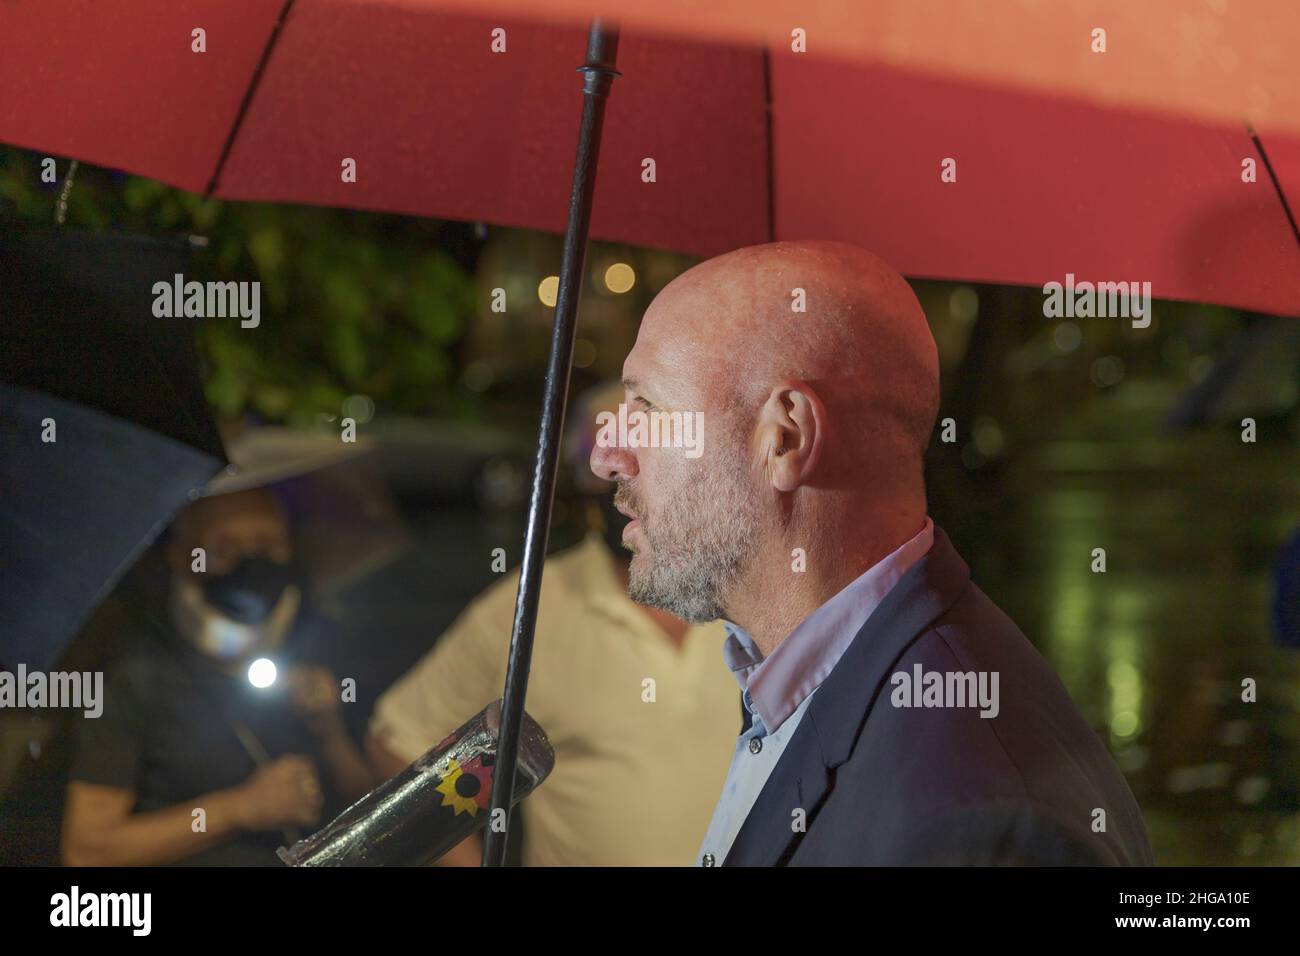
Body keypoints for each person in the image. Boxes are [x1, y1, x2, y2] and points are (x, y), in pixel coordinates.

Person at [590, 240, 1154, 866]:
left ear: (786, 438)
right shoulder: (813, 682)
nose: (606, 453)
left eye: (648, 408)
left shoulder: (973, 821)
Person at [366, 382, 740, 866]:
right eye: (604, 455)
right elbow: (398, 736)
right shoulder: (531, 609)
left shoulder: (746, 588)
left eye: (647, 447)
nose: (622, 473)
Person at [61, 487, 375, 866]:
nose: (250, 564)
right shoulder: (139, 676)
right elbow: (87, 851)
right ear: (181, 556)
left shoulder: (322, 647)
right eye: (225, 549)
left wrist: (331, 733)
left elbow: (374, 808)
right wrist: (238, 809)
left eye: (267, 544)